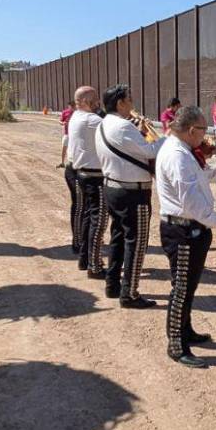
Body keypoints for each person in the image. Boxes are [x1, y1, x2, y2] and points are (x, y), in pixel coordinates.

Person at [155, 106, 216, 368]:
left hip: (191, 229)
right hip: (183, 230)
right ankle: (176, 343)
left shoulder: (186, 153)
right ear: (190, 130)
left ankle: (185, 330)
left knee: (189, 287)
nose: (206, 136)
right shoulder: (178, 156)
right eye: (203, 130)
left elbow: (209, 176)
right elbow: (191, 204)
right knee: (181, 290)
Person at [96, 84, 165, 308]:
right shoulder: (124, 127)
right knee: (136, 242)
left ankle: (113, 284)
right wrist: (169, 135)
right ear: (120, 103)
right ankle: (130, 293)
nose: (132, 103)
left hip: (113, 188)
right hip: (132, 192)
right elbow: (151, 151)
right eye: (130, 99)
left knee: (117, 238)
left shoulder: (104, 124)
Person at [67, 86, 108, 279]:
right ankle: (95, 265)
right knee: (98, 221)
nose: (98, 102)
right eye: (94, 99)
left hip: (81, 173)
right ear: (83, 101)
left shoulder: (75, 116)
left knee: (86, 218)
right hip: (95, 177)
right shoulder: (92, 119)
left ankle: (84, 259)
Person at [59, 101, 81, 253]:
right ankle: (78, 242)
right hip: (77, 169)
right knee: (80, 206)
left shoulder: (79, 117)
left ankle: (79, 241)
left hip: (75, 167)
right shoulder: (78, 118)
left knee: (80, 206)